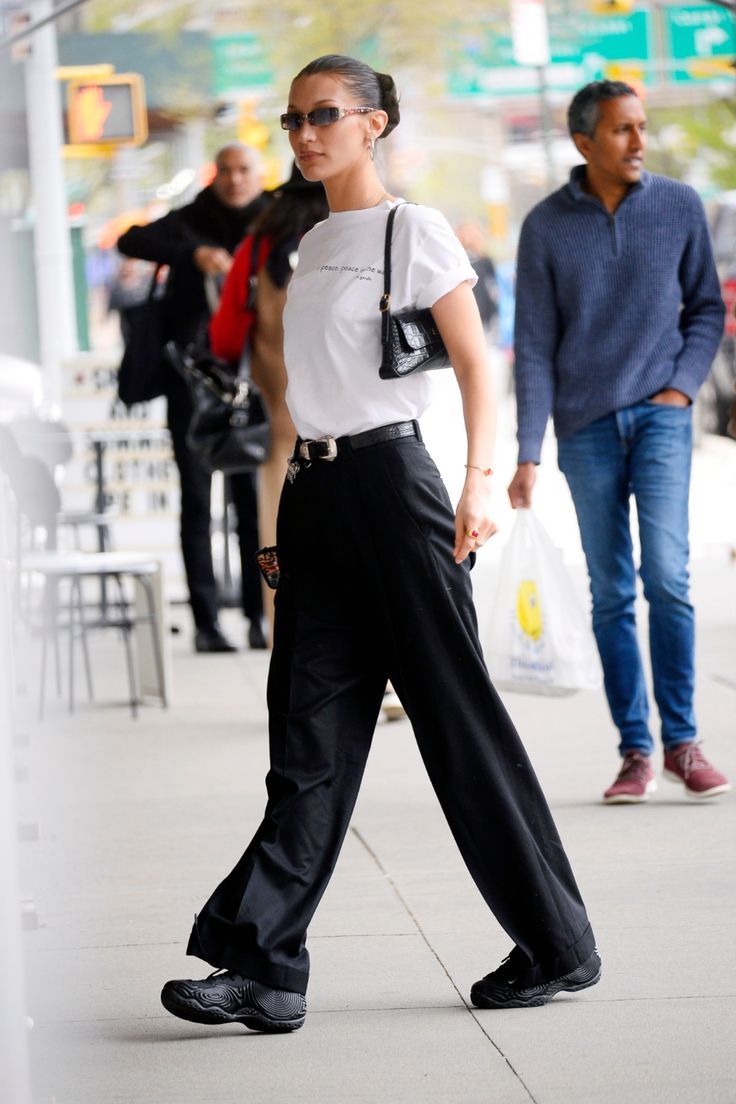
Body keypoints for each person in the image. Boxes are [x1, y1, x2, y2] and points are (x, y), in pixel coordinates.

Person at [160, 54, 600, 1035]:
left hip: (398, 492)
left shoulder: (417, 230)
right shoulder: (308, 243)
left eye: (324, 115)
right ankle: (268, 971)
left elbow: (479, 366)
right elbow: (292, 402)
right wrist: (278, 529)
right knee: (305, 740)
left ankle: (555, 944)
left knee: (455, 723)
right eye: (292, 119)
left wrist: (481, 482)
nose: (304, 133)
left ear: (373, 123)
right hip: (316, 500)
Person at [509, 80, 730, 804]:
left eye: (642, 127)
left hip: (663, 413)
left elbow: (704, 307)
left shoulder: (677, 206)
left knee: (666, 576)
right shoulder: (545, 226)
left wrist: (682, 387)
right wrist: (528, 452)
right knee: (611, 591)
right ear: (583, 142)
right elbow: (535, 344)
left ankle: (684, 743)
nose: (638, 142)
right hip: (585, 427)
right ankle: (636, 751)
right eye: (621, 130)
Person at [117, 144, 269, 652]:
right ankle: (207, 621)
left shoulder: (273, 216)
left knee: (254, 501)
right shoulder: (188, 220)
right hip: (193, 382)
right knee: (197, 500)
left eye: (244, 169)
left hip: (252, 378)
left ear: (258, 174)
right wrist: (193, 255)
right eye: (225, 170)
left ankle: (260, 612)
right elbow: (129, 239)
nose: (234, 179)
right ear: (214, 175)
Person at [209, 163, 329, 635]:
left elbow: (223, 337)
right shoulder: (349, 239)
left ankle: (290, 664)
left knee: (278, 546)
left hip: (281, 431)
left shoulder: (257, 246)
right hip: (357, 430)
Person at [455, 220, 498, 335]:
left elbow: (492, 287)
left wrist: (494, 312)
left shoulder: (485, 260)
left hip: (483, 312)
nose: (468, 238)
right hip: (462, 312)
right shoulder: (456, 259)